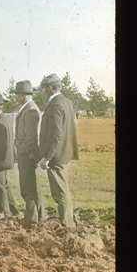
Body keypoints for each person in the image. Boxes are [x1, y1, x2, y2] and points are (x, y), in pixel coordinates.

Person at [38, 73, 79, 228]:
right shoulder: (67, 102)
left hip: (56, 156)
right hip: (65, 153)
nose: (42, 92)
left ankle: (67, 224)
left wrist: (46, 158)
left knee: (60, 191)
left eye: (43, 88)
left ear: (49, 89)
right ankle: (68, 221)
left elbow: (55, 135)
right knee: (63, 188)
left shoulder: (55, 105)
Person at [13, 80, 46, 228]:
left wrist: (21, 151)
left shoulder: (31, 110)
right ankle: (39, 216)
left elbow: (31, 137)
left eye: (17, 95)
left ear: (24, 96)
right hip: (26, 153)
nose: (15, 98)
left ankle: (31, 220)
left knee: (27, 187)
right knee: (31, 186)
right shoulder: (28, 109)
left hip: (27, 154)